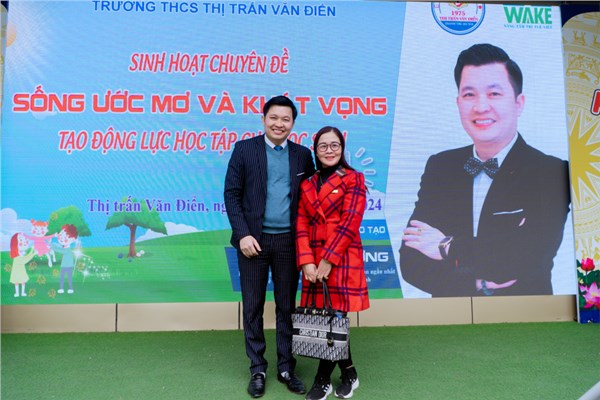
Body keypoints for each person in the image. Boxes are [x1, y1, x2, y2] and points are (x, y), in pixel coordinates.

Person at [400, 43, 570, 297]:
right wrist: (478, 284)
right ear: (458, 102)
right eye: (469, 95)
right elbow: (411, 262)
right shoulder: (440, 167)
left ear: (519, 103)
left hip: (526, 313)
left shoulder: (550, 172)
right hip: (449, 314)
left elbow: (526, 258)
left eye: (494, 94)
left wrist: (446, 246)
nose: (480, 107)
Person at [224, 95, 315, 398]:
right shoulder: (244, 149)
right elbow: (231, 194)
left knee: (287, 307)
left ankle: (286, 367)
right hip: (253, 242)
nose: (279, 124)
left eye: (286, 119)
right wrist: (243, 234)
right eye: (273, 117)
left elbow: (311, 198)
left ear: (293, 123)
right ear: (263, 119)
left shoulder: (302, 155)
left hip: (289, 242)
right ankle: (258, 368)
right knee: (252, 307)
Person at [296, 126, 369, 400]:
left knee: (335, 317)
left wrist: (328, 259)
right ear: (315, 151)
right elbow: (301, 223)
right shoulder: (307, 184)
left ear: (342, 148)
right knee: (325, 319)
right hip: (313, 258)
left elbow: (351, 221)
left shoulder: (354, 178)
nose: (329, 150)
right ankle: (349, 372)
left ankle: (322, 379)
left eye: (334, 145)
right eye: (323, 146)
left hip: (341, 256)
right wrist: (306, 261)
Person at [51, 224, 79, 294]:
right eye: (61, 235)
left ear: (72, 239)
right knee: (62, 277)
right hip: (64, 265)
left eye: (65, 236)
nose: (61, 238)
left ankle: (70, 288)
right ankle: (61, 288)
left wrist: (52, 246)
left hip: (69, 266)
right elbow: (60, 249)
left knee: (69, 278)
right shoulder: (65, 248)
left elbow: (61, 250)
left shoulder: (68, 250)